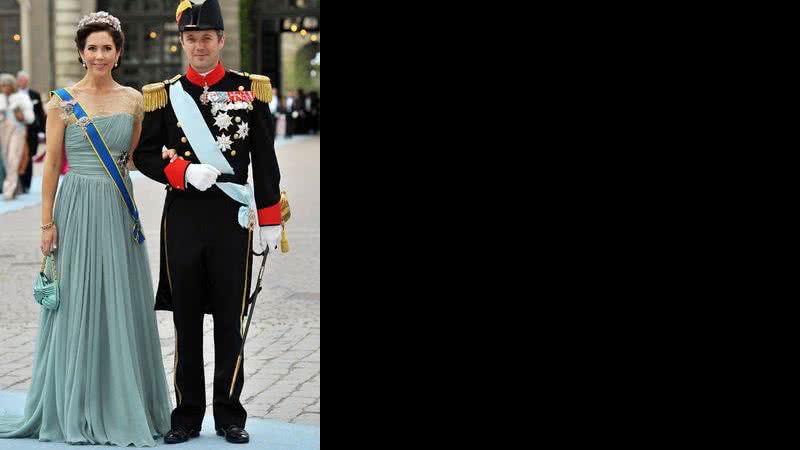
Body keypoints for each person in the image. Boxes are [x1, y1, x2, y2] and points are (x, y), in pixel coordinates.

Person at [0, 12, 174, 447]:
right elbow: (52, 167)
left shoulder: (134, 100)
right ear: (81, 52)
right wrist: (46, 223)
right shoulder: (60, 101)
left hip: (117, 207)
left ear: (118, 53)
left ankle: (122, 401)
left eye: (107, 48)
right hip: (74, 204)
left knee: (120, 297)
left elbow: (131, 157)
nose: (99, 55)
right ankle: (74, 403)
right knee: (76, 299)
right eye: (92, 47)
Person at [133, 0, 283, 444]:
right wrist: (179, 173)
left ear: (221, 40)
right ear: (182, 42)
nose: (199, 46)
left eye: (207, 38)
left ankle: (229, 414)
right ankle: (187, 414)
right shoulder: (164, 93)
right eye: (191, 38)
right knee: (186, 322)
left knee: (229, 320)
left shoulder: (248, 91)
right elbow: (143, 155)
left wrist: (270, 219)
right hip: (182, 218)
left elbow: (265, 160)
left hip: (232, 219)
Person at [0, 73, 35, 200]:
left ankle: (8, 190)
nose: (4, 88)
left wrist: (21, 116)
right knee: (5, 160)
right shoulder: (1, 98)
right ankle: (15, 187)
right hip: (3, 131)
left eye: (6, 85)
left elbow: (30, 118)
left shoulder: (21, 98)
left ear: (12, 86)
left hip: (17, 130)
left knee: (12, 159)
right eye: (2, 85)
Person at [16, 71, 46, 194]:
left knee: (28, 158)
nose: (23, 82)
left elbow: (40, 114)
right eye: (21, 80)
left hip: (32, 132)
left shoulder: (35, 95)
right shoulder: (12, 95)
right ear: (17, 81)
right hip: (17, 131)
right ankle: (18, 184)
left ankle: (26, 184)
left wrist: (42, 131)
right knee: (17, 157)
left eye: (25, 80)